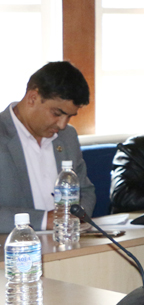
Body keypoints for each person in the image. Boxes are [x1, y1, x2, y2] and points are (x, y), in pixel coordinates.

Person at [0, 61, 95, 232]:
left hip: (68, 243)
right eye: (57, 114)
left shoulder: (68, 137)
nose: (62, 124)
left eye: (69, 117)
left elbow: (85, 191)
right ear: (33, 98)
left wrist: (76, 217)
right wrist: (44, 220)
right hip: (16, 250)